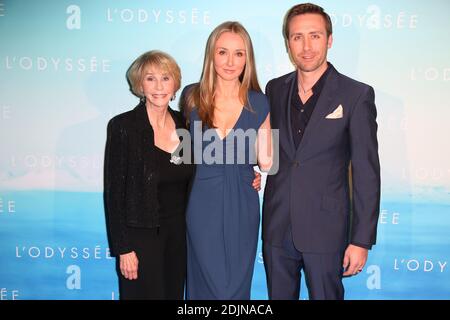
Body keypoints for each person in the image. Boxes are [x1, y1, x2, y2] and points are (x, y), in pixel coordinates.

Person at [104, 50, 262, 300]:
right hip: (141, 238)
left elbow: (209, 161)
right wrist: (124, 249)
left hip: (181, 236)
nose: (158, 87)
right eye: (150, 79)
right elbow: (114, 195)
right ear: (139, 84)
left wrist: (248, 172)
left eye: (165, 78)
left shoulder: (184, 125)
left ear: (175, 85)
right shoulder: (124, 127)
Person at [262, 3, 381, 300]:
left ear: (329, 39)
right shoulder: (274, 89)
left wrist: (361, 240)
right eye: (297, 37)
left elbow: (366, 172)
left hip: (326, 230)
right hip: (277, 228)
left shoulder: (356, 95)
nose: (306, 46)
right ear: (287, 43)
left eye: (314, 36)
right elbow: (268, 149)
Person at [181, 21, 272, 299]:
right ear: (211, 55)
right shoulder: (190, 96)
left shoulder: (261, 101)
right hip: (199, 201)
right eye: (222, 52)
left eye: (239, 54)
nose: (230, 62)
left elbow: (268, 162)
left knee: (234, 284)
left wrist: (252, 171)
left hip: (242, 202)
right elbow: (182, 155)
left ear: (248, 58)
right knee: (205, 281)